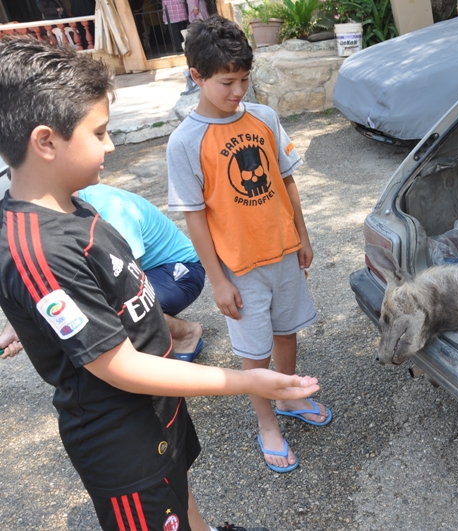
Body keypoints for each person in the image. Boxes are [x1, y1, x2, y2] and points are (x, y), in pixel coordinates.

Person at [0, 36, 319, 531]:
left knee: (178, 480)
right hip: (121, 434)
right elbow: (119, 366)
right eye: (100, 132)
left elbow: (73, 301)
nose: (110, 145)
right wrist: (246, 381)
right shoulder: (36, 246)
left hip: (158, 405)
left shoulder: (73, 204)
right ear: (45, 141)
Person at [167, 16, 331, 474]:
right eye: (226, 82)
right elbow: (194, 218)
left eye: (244, 79)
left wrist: (303, 235)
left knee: (286, 329)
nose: (238, 91)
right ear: (196, 76)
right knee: (253, 350)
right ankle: (267, 423)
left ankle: (289, 397)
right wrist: (217, 280)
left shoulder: (264, 117)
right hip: (239, 267)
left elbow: (286, 179)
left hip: (282, 253)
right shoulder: (185, 142)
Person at [78, 183, 206, 361]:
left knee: (125, 305)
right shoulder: (75, 205)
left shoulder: (111, 208)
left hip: (182, 269)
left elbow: (129, 279)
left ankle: (187, 334)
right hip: (150, 271)